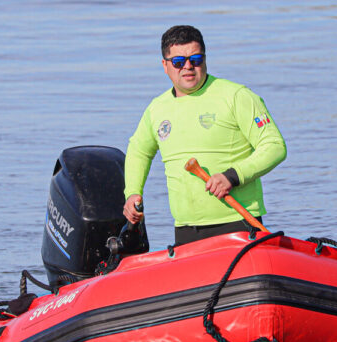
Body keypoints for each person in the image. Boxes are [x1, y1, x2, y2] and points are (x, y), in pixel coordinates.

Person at [123, 25, 286, 246]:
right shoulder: (157, 109)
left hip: (238, 223)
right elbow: (139, 151)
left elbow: (274, 146)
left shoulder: (236, 96)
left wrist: (232, 176)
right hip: (186, 229)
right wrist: (133, 193)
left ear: (205, 59)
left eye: (196, 59)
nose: (188, 67)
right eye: (179, 62)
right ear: (165, 65)